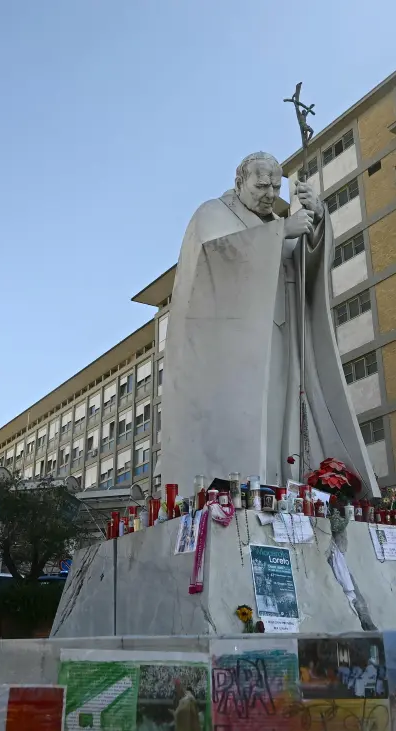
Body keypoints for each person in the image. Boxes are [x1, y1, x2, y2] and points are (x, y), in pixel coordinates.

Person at [160, 152, 379, 493]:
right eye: (261, 185)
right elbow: (213, 257)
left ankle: (282, 485)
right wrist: (281, 233)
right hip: (236, 350)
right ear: (239, 182)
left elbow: (303, 266)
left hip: (281, 335)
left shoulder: (272, 220)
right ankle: (239, 488)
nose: (269, 193)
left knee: (282, 420)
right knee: (249, 423)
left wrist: (316, 222)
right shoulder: (213, 213)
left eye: (275, 187)